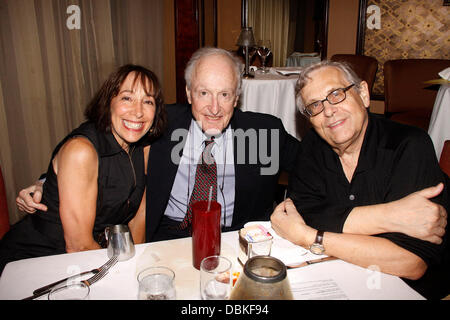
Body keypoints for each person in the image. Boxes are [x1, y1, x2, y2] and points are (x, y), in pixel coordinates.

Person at [15, 47, 300, 242]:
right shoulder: (160, 123)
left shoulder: (264, 131)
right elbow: (95, 137)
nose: (214, 107)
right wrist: (46, 183)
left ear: (236, 97)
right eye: (204, 93)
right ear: (189, 93)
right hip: (163, 235)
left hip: (231, 238)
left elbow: (312, 166)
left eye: (224, 94)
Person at [270, 60, 449, 299]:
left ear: (363, 94)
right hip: (338, 279)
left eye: (336, 94)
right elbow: (302, 213)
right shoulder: (312, 147)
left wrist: (309, 237)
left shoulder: (408, 146)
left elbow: (410, 263)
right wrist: (393, 216)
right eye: (315, 105)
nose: (329, 111)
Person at [1, 64, 166, 274]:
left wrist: (137, 268)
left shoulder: (142, 148)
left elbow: (137, 218)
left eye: (148, 101)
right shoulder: (81, 151)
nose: (138, 111)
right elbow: (78, 246)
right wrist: (122, 277)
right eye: (127, 98)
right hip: (35, 262)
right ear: (109, 103)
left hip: (87, 261)